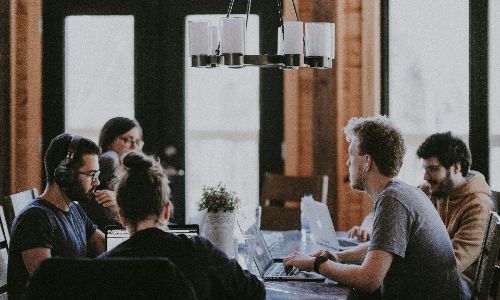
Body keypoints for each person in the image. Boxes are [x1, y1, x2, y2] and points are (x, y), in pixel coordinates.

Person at [283, 115, 466, 299]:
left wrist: (315, 264)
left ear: (367, 162)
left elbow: (368, 280)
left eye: (351, 154)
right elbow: (379, 247)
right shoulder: (401, 192)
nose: (347, 162)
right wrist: (339, 257)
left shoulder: (393, 200)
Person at [98, 152, 265, 300]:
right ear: (166, 210)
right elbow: (255, 291)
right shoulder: (198, 251)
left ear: (122, 217)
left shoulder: (104, 267)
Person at [8, 134, 105, 300]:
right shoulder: (35, 219)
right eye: (91, 174)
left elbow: (107, 247)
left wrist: (120, 211)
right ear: (64, 175)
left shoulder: (75, 210)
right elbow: (47, 287)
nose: (97, 183)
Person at [416, 131, 494, 291]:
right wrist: (368, 228)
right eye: (425, 169)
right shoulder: (428, 190)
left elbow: (452, 263)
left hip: (458, 284)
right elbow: (395, 213)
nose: (426, 177)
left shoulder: (478, 205)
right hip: (429, 274)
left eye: (433, 169)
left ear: (456, 167)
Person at [79, 117, 144, 231]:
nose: (134, 146)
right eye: (127, 140)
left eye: (137, 142)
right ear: (109, 142)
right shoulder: (103, 168)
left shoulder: (139, 175)